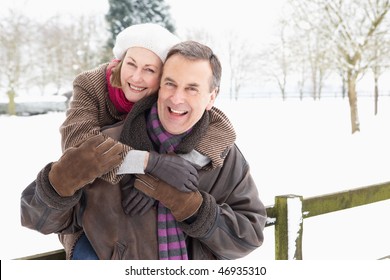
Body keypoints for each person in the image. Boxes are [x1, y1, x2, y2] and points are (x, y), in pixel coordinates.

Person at [21, 41, 267, 260]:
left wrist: (194, 209)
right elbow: (37, 219)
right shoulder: (107, 145)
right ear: (159, 86)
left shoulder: (225, 156)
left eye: (192, 88)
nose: (177, 98)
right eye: (170, 84)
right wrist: (58, 184)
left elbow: (250, 236)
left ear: (212, 97)